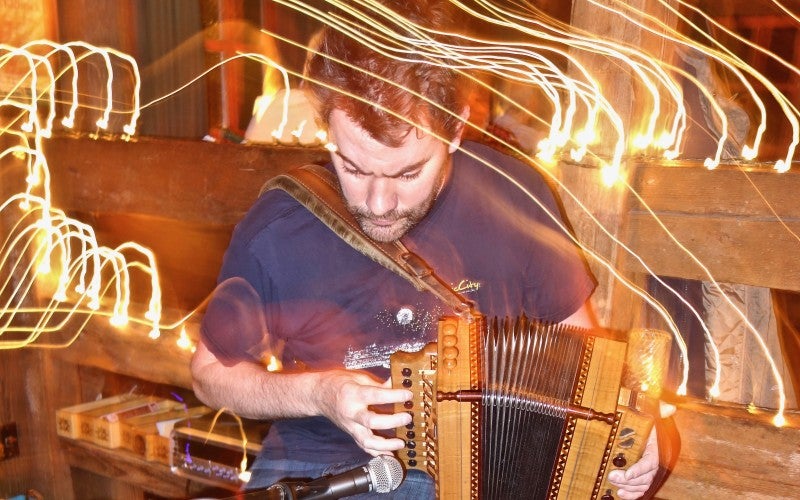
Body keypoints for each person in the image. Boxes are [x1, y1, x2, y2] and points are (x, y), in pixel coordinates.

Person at [191, 1, 661, 498]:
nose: (378, 203)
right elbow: (209, 375)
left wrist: (634, 438)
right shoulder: (280, 225)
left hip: (485, 476)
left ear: (455, 129)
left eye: (408, 173)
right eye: (353, 167)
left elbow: (587, 360)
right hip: (323, 470)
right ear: (328, 129)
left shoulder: (516, 199)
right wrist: (318, 392)